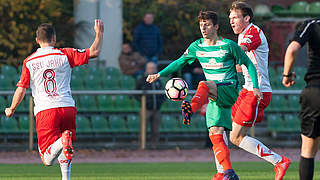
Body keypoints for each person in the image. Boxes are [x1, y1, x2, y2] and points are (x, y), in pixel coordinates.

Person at [147, 11, 262, 180]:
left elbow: (248, 64)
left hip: (229, 89)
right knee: (215, 134)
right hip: (213, 95)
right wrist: (159, 74)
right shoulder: (196, 47)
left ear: (216, 26)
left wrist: (256, 87)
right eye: (201, 25)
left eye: (207, 24)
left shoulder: (229, 45)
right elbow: (179, 62)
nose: (203, 28)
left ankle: (190, 109)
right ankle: (229, 172)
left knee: (203, 84)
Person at [4, 20, 104, 180]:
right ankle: (66, 177)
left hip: (46, 110)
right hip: (67, 107)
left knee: (46, 158)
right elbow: (94, 52)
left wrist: (12, 108)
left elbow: (21, 88)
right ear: (54, 38)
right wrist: (99, 33)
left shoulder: (29, 61)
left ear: (37, 40)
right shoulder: (64, 54)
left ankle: (63, 140)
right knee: (64, 147)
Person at [282, 18, 320, 180]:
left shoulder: (312, 25)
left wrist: (286, 75)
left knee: (308, 151)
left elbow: (292, 50)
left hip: (315, 91)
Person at [136, 62, 164, 147]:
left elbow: (163, 93)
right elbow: (136, 93)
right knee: (143, 129)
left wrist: (160, 102)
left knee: (155, 129)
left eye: (153, 68)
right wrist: (144, 101)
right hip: (146, 109)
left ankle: (154, 146)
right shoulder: (142, 80)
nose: (152, 70)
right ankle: (142, 146)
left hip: (157, 109)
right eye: (150, 68)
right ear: (146, 69)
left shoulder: (158, 81)